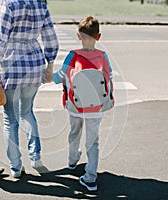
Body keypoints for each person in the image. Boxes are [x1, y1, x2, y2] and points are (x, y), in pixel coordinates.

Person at [0, 0, 59, 178]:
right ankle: (36, 158)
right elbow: (50, 36)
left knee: (10, 119)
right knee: (27, 112)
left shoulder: (7, 2)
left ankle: (16, 166)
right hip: (34, 64)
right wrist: (49, 65)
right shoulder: (40, 3)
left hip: (11, 64)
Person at [53, 16, 114, 191]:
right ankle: (90, 177)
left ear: (79, 36)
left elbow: (60, 76)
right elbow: (108, 78)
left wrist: (48, 77)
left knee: (74, 132)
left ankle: (72, 162)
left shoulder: (73, 56)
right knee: (93, 142)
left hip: (75, 105)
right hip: (96, 107)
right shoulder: (103, 56)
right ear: (98, 37)